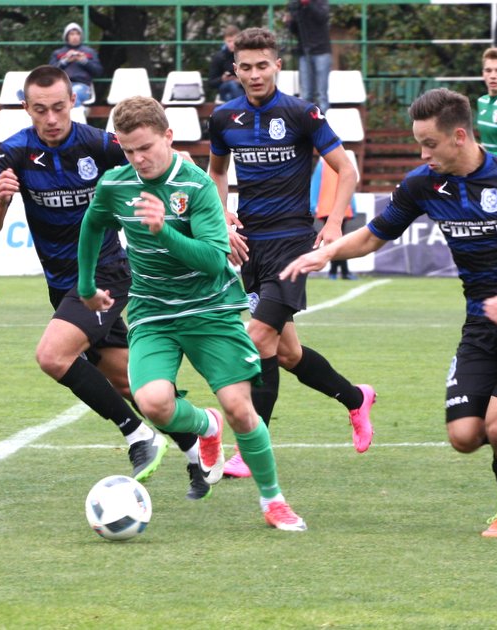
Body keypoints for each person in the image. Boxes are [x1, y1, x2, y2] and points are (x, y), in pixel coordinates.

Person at [280, 88, 497, 537]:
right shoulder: (423, 184)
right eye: (419, 144)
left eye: (429, 144)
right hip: (481, 322)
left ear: (459, 136)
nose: (423, 154)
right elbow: (373, 236)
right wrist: (326, 253)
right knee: (464, 437)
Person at [0, 66, 209, 499]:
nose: (51, 118)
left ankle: (137, 435)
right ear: (26, 108)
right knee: (130, 383)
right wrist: (2, 201)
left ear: (73, 102)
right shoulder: (13, 153)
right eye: (40, 109)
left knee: (52, 355)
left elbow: (170, 161)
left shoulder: (99, 144)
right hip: (61, 285)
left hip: (106, 273)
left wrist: (214, 212)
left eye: (58, 107)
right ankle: (197, 444)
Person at [78, 95, 307, 531]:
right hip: (153, 312)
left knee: (241, 409)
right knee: (153, 402)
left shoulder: (197, 187)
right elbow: (92, 225)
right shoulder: (115, 185)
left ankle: (273, 499)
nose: (138, 158)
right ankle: (205, 425)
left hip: (211, 310)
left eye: (146, 147)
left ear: (168, 136)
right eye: (128, 150)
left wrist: (163, 230)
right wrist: (87, 287)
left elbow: (214, 261)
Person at [207, 27, 375, 478]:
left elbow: (346, 170)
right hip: (250, 245)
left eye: (263, 65)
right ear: (235, 70)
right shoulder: (223, 118)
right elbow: (217, 173)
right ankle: (356, 398)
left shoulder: (302, 113)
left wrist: (333, 223)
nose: (255, 74)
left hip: (292, 243)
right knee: (286, 353)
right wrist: (222, 218)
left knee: (257, 339)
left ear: (277, 66)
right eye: (246, 67)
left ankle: (250, 446)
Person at [285, 0, 332, 112]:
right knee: (306, 94)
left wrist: (308, 4)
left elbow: (322, 17)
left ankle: (321, 120)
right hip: (304, 51)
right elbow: (295, 30)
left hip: (321, 51)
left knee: (321, 95)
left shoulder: (320, 2)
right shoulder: (297, 5)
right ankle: (307, 120)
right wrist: (289, 22)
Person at [49, 22, 103, 108]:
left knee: (73, 95)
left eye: (77, 34)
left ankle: (76, 114)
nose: (75, 36)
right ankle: (79, 112)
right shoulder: (58, 53)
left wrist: (84, 61)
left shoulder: (90, 52)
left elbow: (98, 72)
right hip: (61, 86)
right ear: (67, 36)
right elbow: (50, 73)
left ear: (81, 36)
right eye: (72, 34)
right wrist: (65, 61)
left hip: (83, 86)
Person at [208, 25, 245, 102]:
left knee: (230, 97)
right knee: (232, 85)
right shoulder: (219, 57)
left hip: (243, 87)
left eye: (234, 41)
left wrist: (240, 81)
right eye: (229, 41)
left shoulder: (246, 55)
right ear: (225, 41)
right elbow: (211, 82)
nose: (232, 44)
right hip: (225, 87)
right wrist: (222, 79)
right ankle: (243, 106)